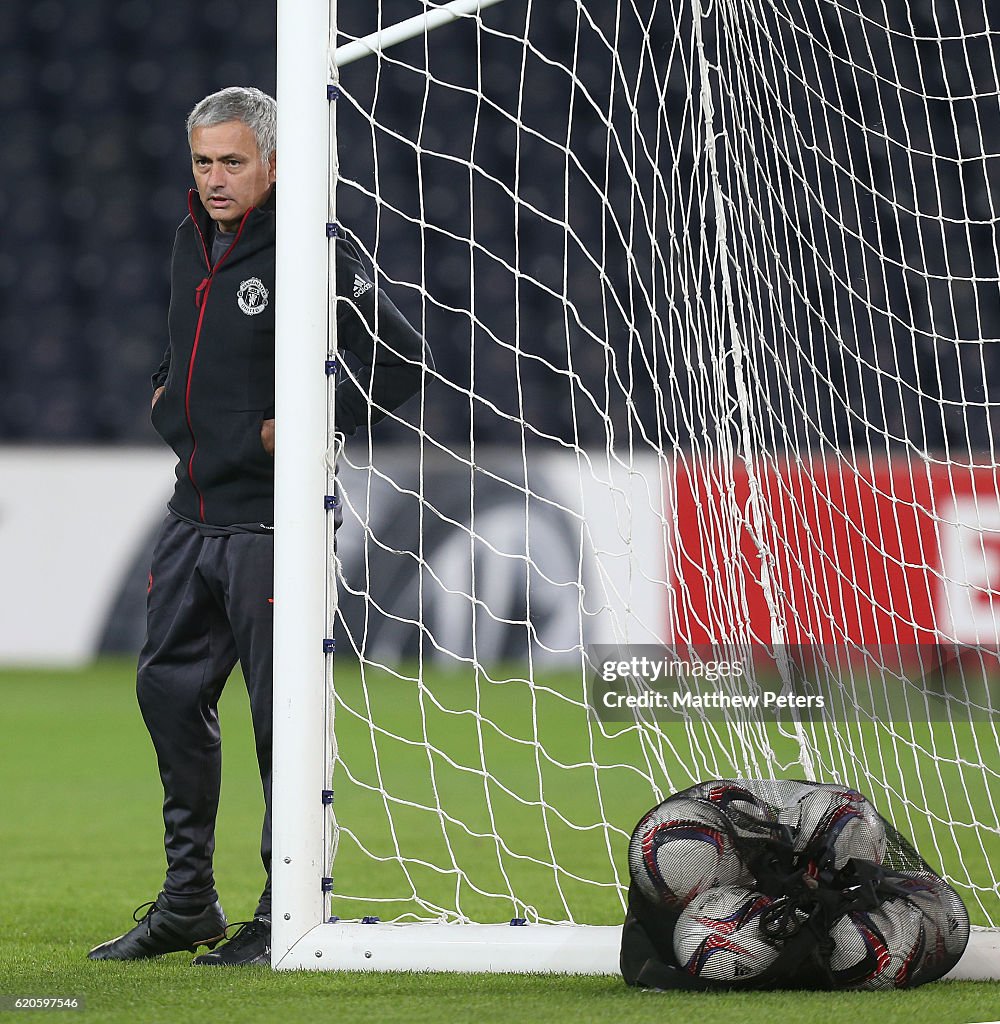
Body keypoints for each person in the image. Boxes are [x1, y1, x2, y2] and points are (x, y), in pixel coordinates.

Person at [88, 86, 429, 966]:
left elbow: (399, 360)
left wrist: (315, 420)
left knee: (283, 723)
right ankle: (187, 902)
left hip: (271, 524)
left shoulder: (316, 243)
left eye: (232, 161)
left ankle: (283, 909)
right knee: (166, 695)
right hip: (190, 512)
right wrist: (168, 387)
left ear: (274, 160)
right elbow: (185, 336)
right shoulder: (188, 236)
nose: (214, 178)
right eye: (203, 161)